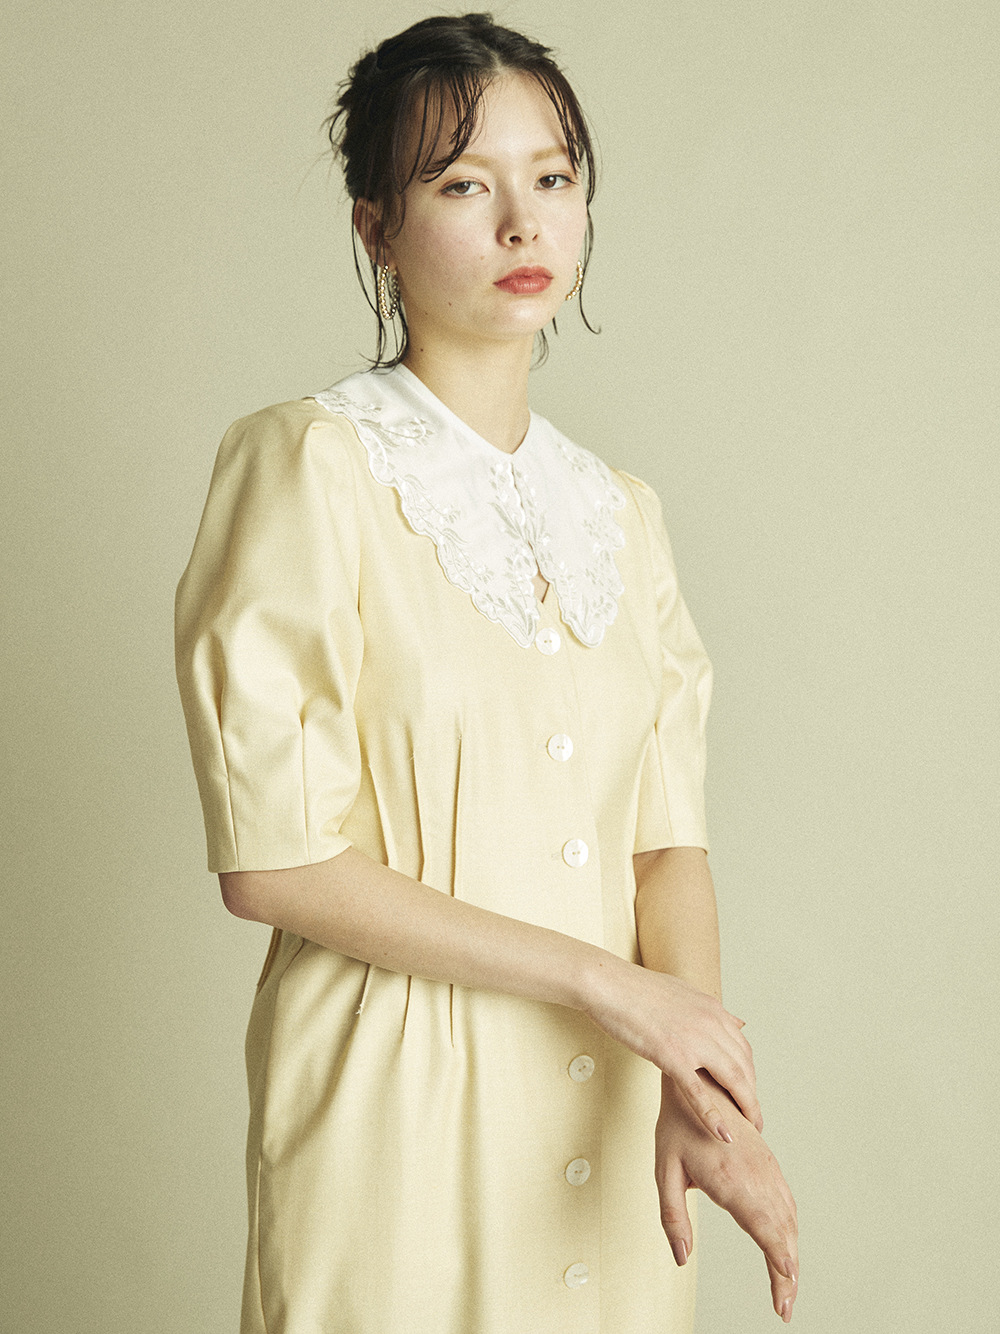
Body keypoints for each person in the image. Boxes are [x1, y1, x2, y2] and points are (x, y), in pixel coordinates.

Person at [175, 13, 797, 1333]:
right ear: (376, 227)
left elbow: (666, 847)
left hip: (617, 1119)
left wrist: (705, 1095)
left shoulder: (623, 513)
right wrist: (611, 986)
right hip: (396, 1113)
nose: (525, 222)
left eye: (552, 177)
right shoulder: (308, 466)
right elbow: (273, 863)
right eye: (463, 184)